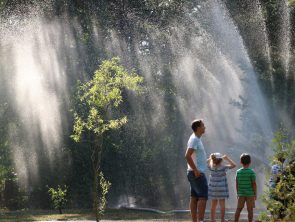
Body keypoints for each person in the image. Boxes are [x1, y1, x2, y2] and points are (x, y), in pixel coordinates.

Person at [185, 119, 208, 222]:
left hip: (193, 172)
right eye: (203, 125)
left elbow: (195, 157)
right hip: (197, 173)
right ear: (198, 128)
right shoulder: (194, 139)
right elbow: (187, 156)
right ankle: (201, 220)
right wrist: (196, 170)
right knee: (203, 197)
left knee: (194, 197)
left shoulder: (196, 139)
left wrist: (207, 160)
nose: (205, 127)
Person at [207, 153, 236, 222]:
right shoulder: (223, 167)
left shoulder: (211, 167)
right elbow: (234, 165)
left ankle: (212, 219)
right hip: (221, 189)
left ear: (213, 160)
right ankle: (222, 219)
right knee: (222, 205)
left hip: (213, 189)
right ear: (221, 160)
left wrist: (211, 158)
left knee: (213, 205)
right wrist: (227, 158)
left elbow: (206, 161)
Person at [234, 153, 256, 222]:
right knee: (250, 210)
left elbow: (237, 183)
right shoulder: (251, 172)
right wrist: (255, 194)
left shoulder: (238, 172)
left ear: (240, 162)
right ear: (250, 162)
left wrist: (238, 193)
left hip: (241, 193)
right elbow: (254, 184)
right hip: (250, 194)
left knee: (238, 209)